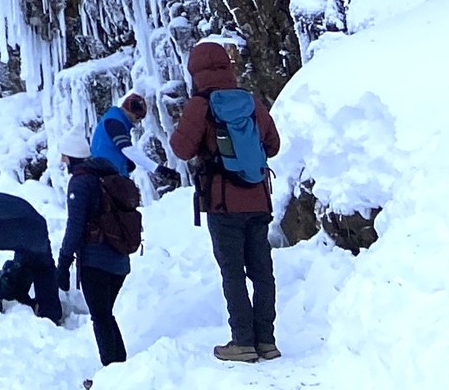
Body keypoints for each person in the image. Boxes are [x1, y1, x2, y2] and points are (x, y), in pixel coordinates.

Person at [170, 41, 282, 364]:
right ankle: (267, 340)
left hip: (222, 202)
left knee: (233, 272)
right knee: (262, 271)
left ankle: (243, 341)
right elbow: (273, 145)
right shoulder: (250, 101)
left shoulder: (200, 105)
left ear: (195, 71)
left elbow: (181, 149)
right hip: (258, 199)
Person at [58, 102, 144, 373]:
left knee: (101, 317)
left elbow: (75, 225)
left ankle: (112, 374)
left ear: (71, 157)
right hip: (120, 261)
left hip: (96, 260)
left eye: (64, 156)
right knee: (105, 315)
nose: (62, 161)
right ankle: (120, 370)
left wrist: (63, 263)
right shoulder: (107, 174)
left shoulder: (80, 182)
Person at [0, 190, 60, 321]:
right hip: (36, 225)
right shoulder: (4, 201)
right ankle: (49, 311)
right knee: (43, 266)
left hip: (0, 222)